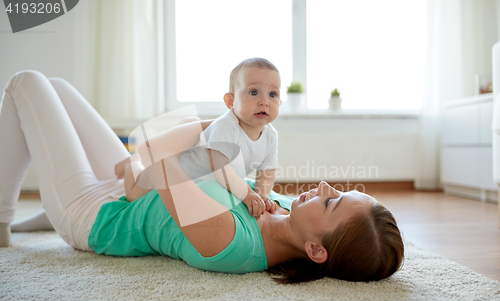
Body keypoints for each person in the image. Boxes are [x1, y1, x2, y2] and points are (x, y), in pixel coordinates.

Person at [0, 70, 404, 284]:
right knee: (56, 86)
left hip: (97, 214)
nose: (323, 188)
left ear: (317, 251)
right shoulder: (281, 209)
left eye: (331, 201)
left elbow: (150, 153)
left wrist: (226, 123)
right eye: (338, 189)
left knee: (26, 83)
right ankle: (29, 219)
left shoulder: (231, 240)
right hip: (130, 188)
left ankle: (4, 219)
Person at [176, 57, 281, 219]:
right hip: (181, 177)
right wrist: (247, 194)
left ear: (280, 102)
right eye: (254, 92)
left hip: (211, 187)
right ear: (230, 101)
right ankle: (132, 164)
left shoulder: (271, 135)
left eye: (272, 94)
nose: (264, 101)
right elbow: (220, 167)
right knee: (137, 192)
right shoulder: (226, 125)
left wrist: (262, 195)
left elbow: (267, 171)